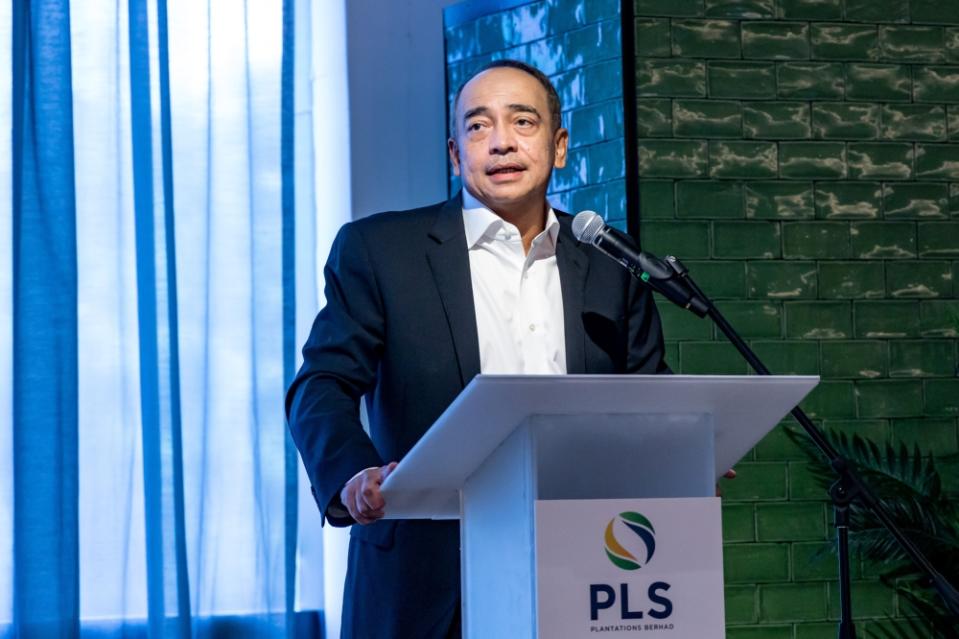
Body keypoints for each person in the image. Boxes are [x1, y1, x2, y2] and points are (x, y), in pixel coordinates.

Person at [285, 59, 669, 639]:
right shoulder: (382, 251)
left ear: (559, 145)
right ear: (454, 153)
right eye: (478, 126)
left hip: (589, 571)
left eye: (523, 122)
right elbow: (322, 384)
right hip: (425, 578)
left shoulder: (610, 264)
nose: (501, 143)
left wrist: (682, 458)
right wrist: (353, 472)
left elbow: (645, 390)